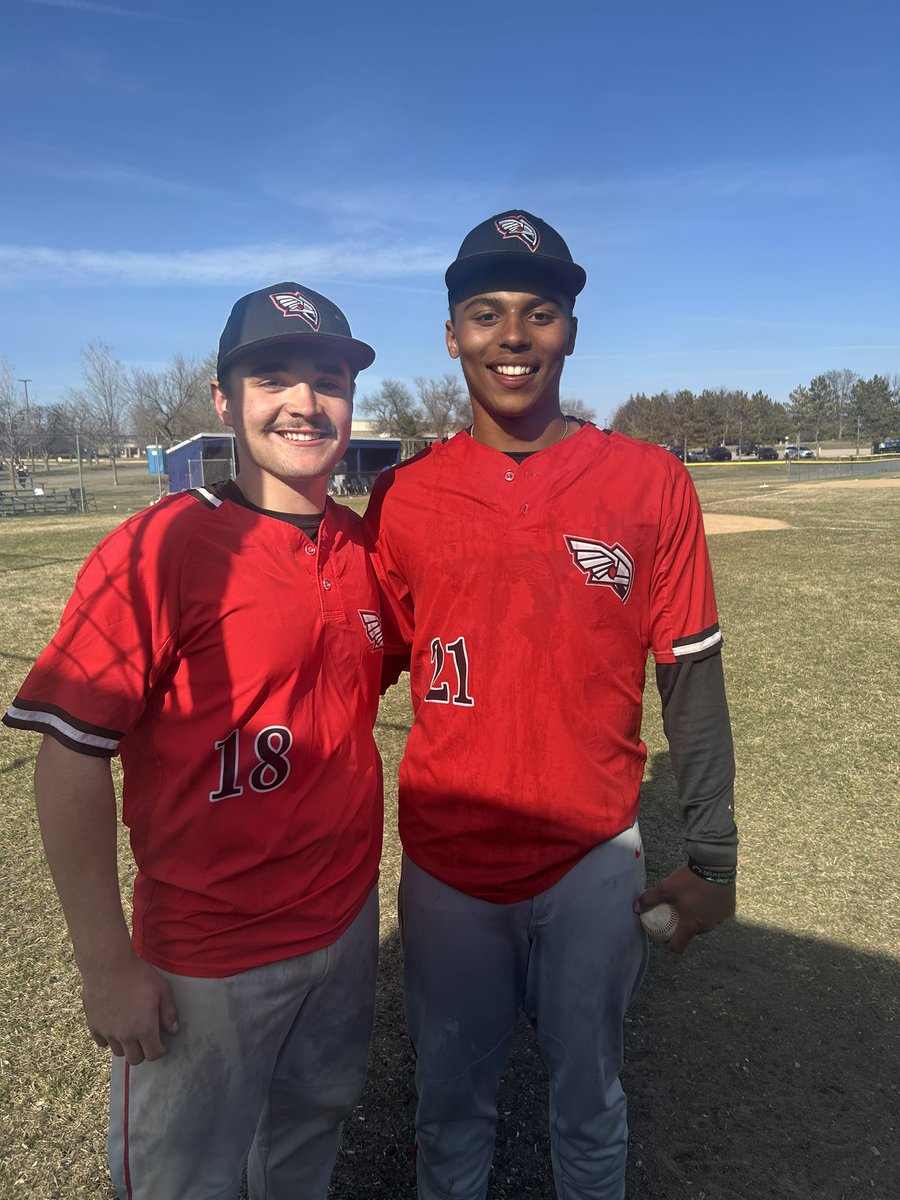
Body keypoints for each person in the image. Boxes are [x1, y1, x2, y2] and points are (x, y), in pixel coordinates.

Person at [364, 211, 738, 1200]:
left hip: (591, 860)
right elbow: (354, 673)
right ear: (452, 335)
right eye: (484, 314)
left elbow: (691, 674)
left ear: (571, 330)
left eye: (539, 312)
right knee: (448, 1107)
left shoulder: (648, 482)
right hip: (448, 867)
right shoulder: (402, 498)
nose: (513, 337)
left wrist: (715, 854)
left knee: (589, 1103)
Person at [3, 282, 385, 1200]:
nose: (304, 402)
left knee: (305, 1140)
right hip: (211, 956)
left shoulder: (361, 547)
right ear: (225, 399)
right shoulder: (160, 548)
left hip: (344, 926)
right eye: (272, 378)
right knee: (189, 1182)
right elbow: (70, 756)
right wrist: (105, 966)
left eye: (327, 379)